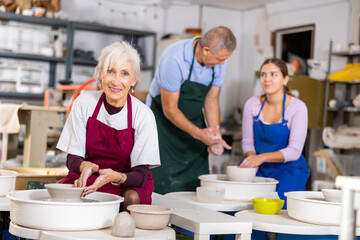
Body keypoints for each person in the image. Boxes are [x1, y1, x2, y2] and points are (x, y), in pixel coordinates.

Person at [57, 41, 160, 211]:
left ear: (134, 80)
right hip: (88, 178)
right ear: (100, 75)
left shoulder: (143, 115)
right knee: (65, 199)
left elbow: (140, 175)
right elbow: (72, 158)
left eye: (125, 74)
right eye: (110, 71)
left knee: (132, 198)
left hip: (127, 182)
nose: (116, 81)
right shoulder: (83, 104)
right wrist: (85, 167)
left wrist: (115, 177)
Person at [146, 26, 236, 194]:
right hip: (163, 126)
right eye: (220, 59)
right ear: (207, 50)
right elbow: (170, 109)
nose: (223, 63)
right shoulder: (174, 58)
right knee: (160, 182)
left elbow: (211, 99)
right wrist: (200, 135)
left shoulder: (218, 62)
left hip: (193, 121)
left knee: (195, 184)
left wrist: (215, 135)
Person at [241, 58, 309, 207]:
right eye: (263, 75)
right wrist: (252, 159)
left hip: (289, 169)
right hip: (259, 166)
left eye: (273, 75)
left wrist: (261, 157)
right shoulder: (252, 104)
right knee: (242, 201)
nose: (267, 79)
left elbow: (294, 151)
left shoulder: (297, 107)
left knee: (279, 206)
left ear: (285, 79)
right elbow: (247, 142)